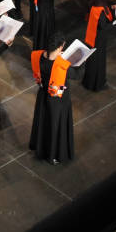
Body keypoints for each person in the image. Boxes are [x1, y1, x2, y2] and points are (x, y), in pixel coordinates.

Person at [29, 32, 79, 164]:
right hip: (58, 101)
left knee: (43, 123)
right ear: (60, 47)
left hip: (43, 95)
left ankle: (41, 149)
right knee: (55, 126)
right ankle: (53, 155)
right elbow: (75, 75)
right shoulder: (62, 64)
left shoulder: (38, 55)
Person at [82, 0, 115, 91]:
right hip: (98, 37)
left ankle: (89, 82)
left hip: (93, 35)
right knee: (98, 60)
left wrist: (112, 7)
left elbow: (105, 9)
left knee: (92, 59)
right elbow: (103, 25)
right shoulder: (98, 7)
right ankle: (97, 84)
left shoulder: (94, 0)